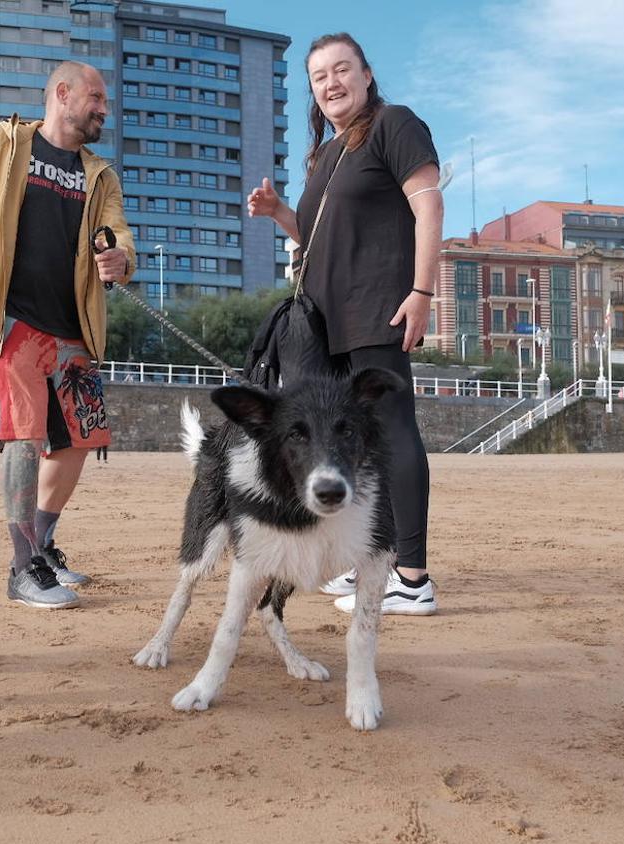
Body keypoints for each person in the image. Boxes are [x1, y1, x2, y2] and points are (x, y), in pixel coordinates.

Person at [0, 61, 134, 610]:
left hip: (74, 330)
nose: (103, 109)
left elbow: (119, 236)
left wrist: (120, 259)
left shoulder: (101, 176)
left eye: (104, 102)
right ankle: (22, 568)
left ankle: (41, 547)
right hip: (12, 322)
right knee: (24, 436)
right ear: (62, 94)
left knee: (81, 439)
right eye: (95, 98)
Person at [247, 32, 443, 616]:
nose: (331, 83)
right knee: (351, 443)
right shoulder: (327, 156)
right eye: (319, 76)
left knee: (392, 431)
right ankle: (373, 559)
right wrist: (281, 213)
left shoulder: (394, 124)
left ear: (366, 74)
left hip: (378, 304)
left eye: (341, 69)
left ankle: (412, 576)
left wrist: (422, 292)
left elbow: (428, 205)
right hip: (325, 319)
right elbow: (320, 239)